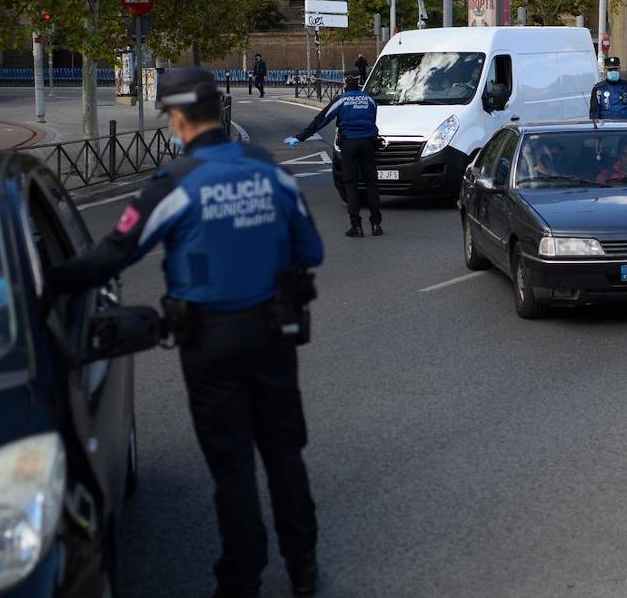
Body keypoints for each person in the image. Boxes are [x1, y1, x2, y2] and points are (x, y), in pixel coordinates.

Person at [46, 67, 325, 598]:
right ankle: (303, 568)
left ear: (176, 119)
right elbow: (312, 251)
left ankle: (241, 579)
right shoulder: (271, 173)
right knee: (285, 454)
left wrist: (41, 279)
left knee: (233, 463)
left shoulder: (174, 185)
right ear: (218, 112)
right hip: (273, 336)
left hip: (210, 345)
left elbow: (110, 256)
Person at [284, 72, 383, 238]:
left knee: (351, 184)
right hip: (369, 143)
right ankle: (376, 224)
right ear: (359, 83)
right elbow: (372, 120)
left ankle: (356, 226)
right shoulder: (370, 100)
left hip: (350, 144)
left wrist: (299, 137)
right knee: (371, 184)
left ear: (345, 83)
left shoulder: (341, 100)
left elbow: (321, 120)